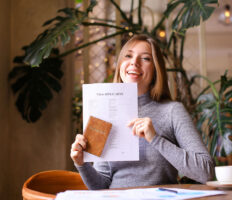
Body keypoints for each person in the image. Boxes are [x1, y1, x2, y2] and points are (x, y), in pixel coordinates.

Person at [70, 35, 214, 189]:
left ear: (155, 69)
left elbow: (206, 172)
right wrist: (81, 163)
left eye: (145, 58)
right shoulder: (105, 111)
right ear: (120, 65)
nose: (134, 62)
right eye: (128, 56)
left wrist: (156, 139)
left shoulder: (172, 111)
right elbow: (102, 185)